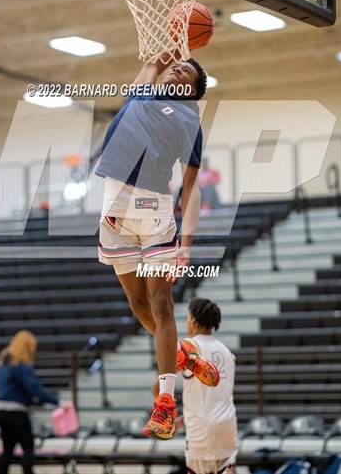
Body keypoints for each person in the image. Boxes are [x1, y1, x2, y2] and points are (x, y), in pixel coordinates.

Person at [95, 53, 220, 440]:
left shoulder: (188, 119)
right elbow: (147, 71)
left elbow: (191, 187)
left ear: (193, 92)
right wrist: (155, 60)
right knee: (137, 306)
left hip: (153, 207)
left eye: (187, 71)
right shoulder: (141, 94)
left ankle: (165, 404)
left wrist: (186, 242)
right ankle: (182, 355)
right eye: (177, 66)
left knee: (161, 304)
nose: (178, 69)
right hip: (114, 207)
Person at [0, 330, 65, 474]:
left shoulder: (2, 361)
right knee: (28, 448)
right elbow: (34, 388)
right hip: (14, 409)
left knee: (7, 449)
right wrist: (58, 401)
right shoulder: (20, 364)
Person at [178, 298, 238, 474]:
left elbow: (163, 377)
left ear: (194, 320)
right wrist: (183, 419)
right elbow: (214, 396)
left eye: (188, 317)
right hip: (227, 429)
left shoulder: (189, 347)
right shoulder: (227, 352)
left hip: (201, 432)